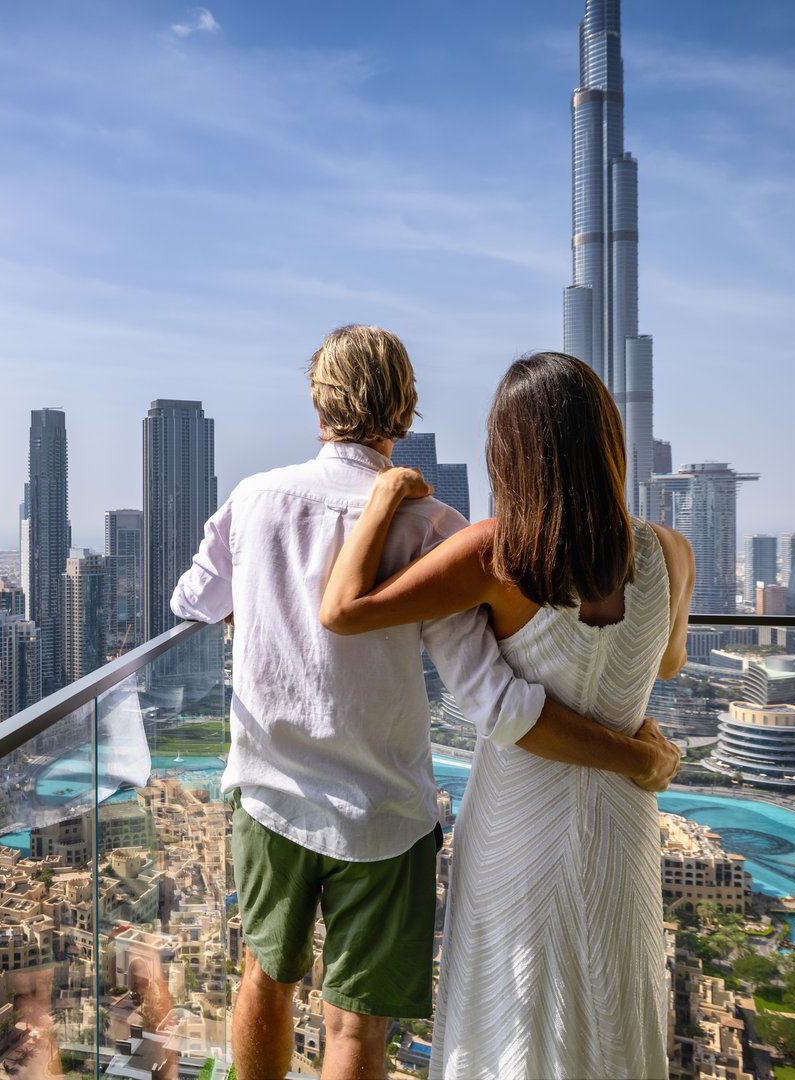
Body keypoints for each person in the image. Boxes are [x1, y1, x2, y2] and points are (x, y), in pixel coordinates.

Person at [170, 327, 680, 1080]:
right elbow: (492, 694)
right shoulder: (437, 529)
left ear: (317, 406)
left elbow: (192, 600)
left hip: (270, 789)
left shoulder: (254, 499)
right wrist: (636, 751)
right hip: (384, 810)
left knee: (263, 978)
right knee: (355, 1029)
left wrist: (257, 611)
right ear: (405, 414)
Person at [320, 350, 695, 1080]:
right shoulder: (670, 552)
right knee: (614, 994)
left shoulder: (496, 554)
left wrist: (378, 504)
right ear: (607, 442)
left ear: (509, 451)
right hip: (623, 813)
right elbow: (667, 662)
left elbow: (343, 611)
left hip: (519, 810)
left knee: (511, 1007)